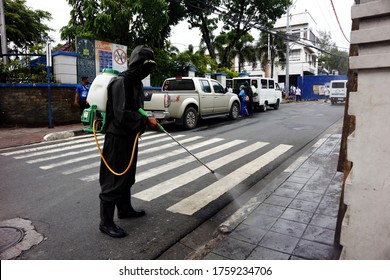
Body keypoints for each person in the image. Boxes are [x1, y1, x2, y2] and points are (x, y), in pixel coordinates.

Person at [98, 45, 160, 238]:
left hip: (130, 137)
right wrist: (145, 121)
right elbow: (121, 114)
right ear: (138, 64)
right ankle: (105, 222)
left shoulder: (137, 83)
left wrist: (145, 119)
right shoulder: (121, 82)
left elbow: (136, 108)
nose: (148, 72)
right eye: (146, 67)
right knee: (113, 179)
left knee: (127, 176)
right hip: (117, 138)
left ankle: (124, 209)